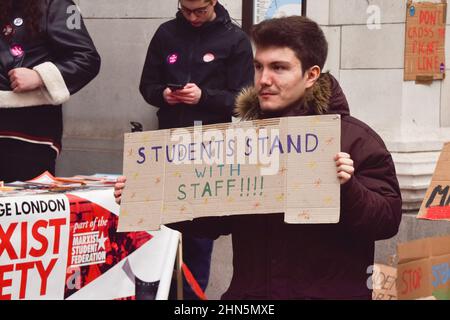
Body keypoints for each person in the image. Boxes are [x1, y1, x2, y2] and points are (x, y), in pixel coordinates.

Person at [116, 16, 402, 299]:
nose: (264, 80)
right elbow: (214, 221)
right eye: (258, 67)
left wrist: (347, 188)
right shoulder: (242, 141)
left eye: (279, 68)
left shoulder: (356, 140)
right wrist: (150, 198)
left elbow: (386, 222)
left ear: (311, 75)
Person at [138, 0, 254, 299]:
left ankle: (193, 298)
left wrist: (204, 96)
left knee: (199, 236)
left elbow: (244, 100)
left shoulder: (235, 39)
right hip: (168, 146)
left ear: (213, 2)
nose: (192, 17)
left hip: (210, 150)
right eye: (186, 10)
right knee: (163, 232)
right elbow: (146, 86)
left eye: (199, 10)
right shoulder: (166, 33)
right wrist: (164, 94)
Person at [0, 0, 100, 182]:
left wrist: (39, 77)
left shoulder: (57, 4)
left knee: (27, 206)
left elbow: (87, 58)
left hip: (31, 132)